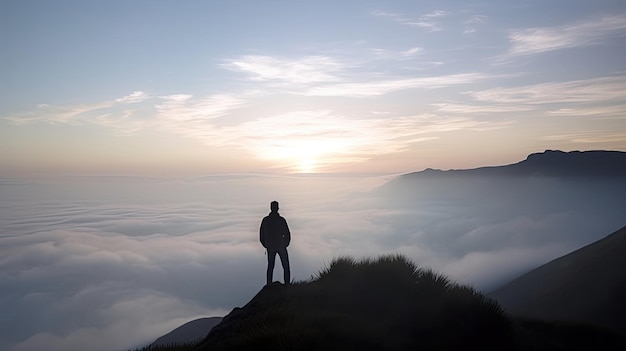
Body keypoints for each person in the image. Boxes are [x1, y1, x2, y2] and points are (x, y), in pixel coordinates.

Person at [259, 200, 291, 285]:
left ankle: (269, 285)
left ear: (270, 208)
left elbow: (261, 235)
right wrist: (285, 244)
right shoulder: (281, 220)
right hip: (281, 246)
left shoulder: (265, 220)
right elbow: (287, 233)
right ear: (278, 208)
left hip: (270, 247)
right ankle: (287, 285)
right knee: (286, 266)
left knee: (270, 266)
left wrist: (266, 245)